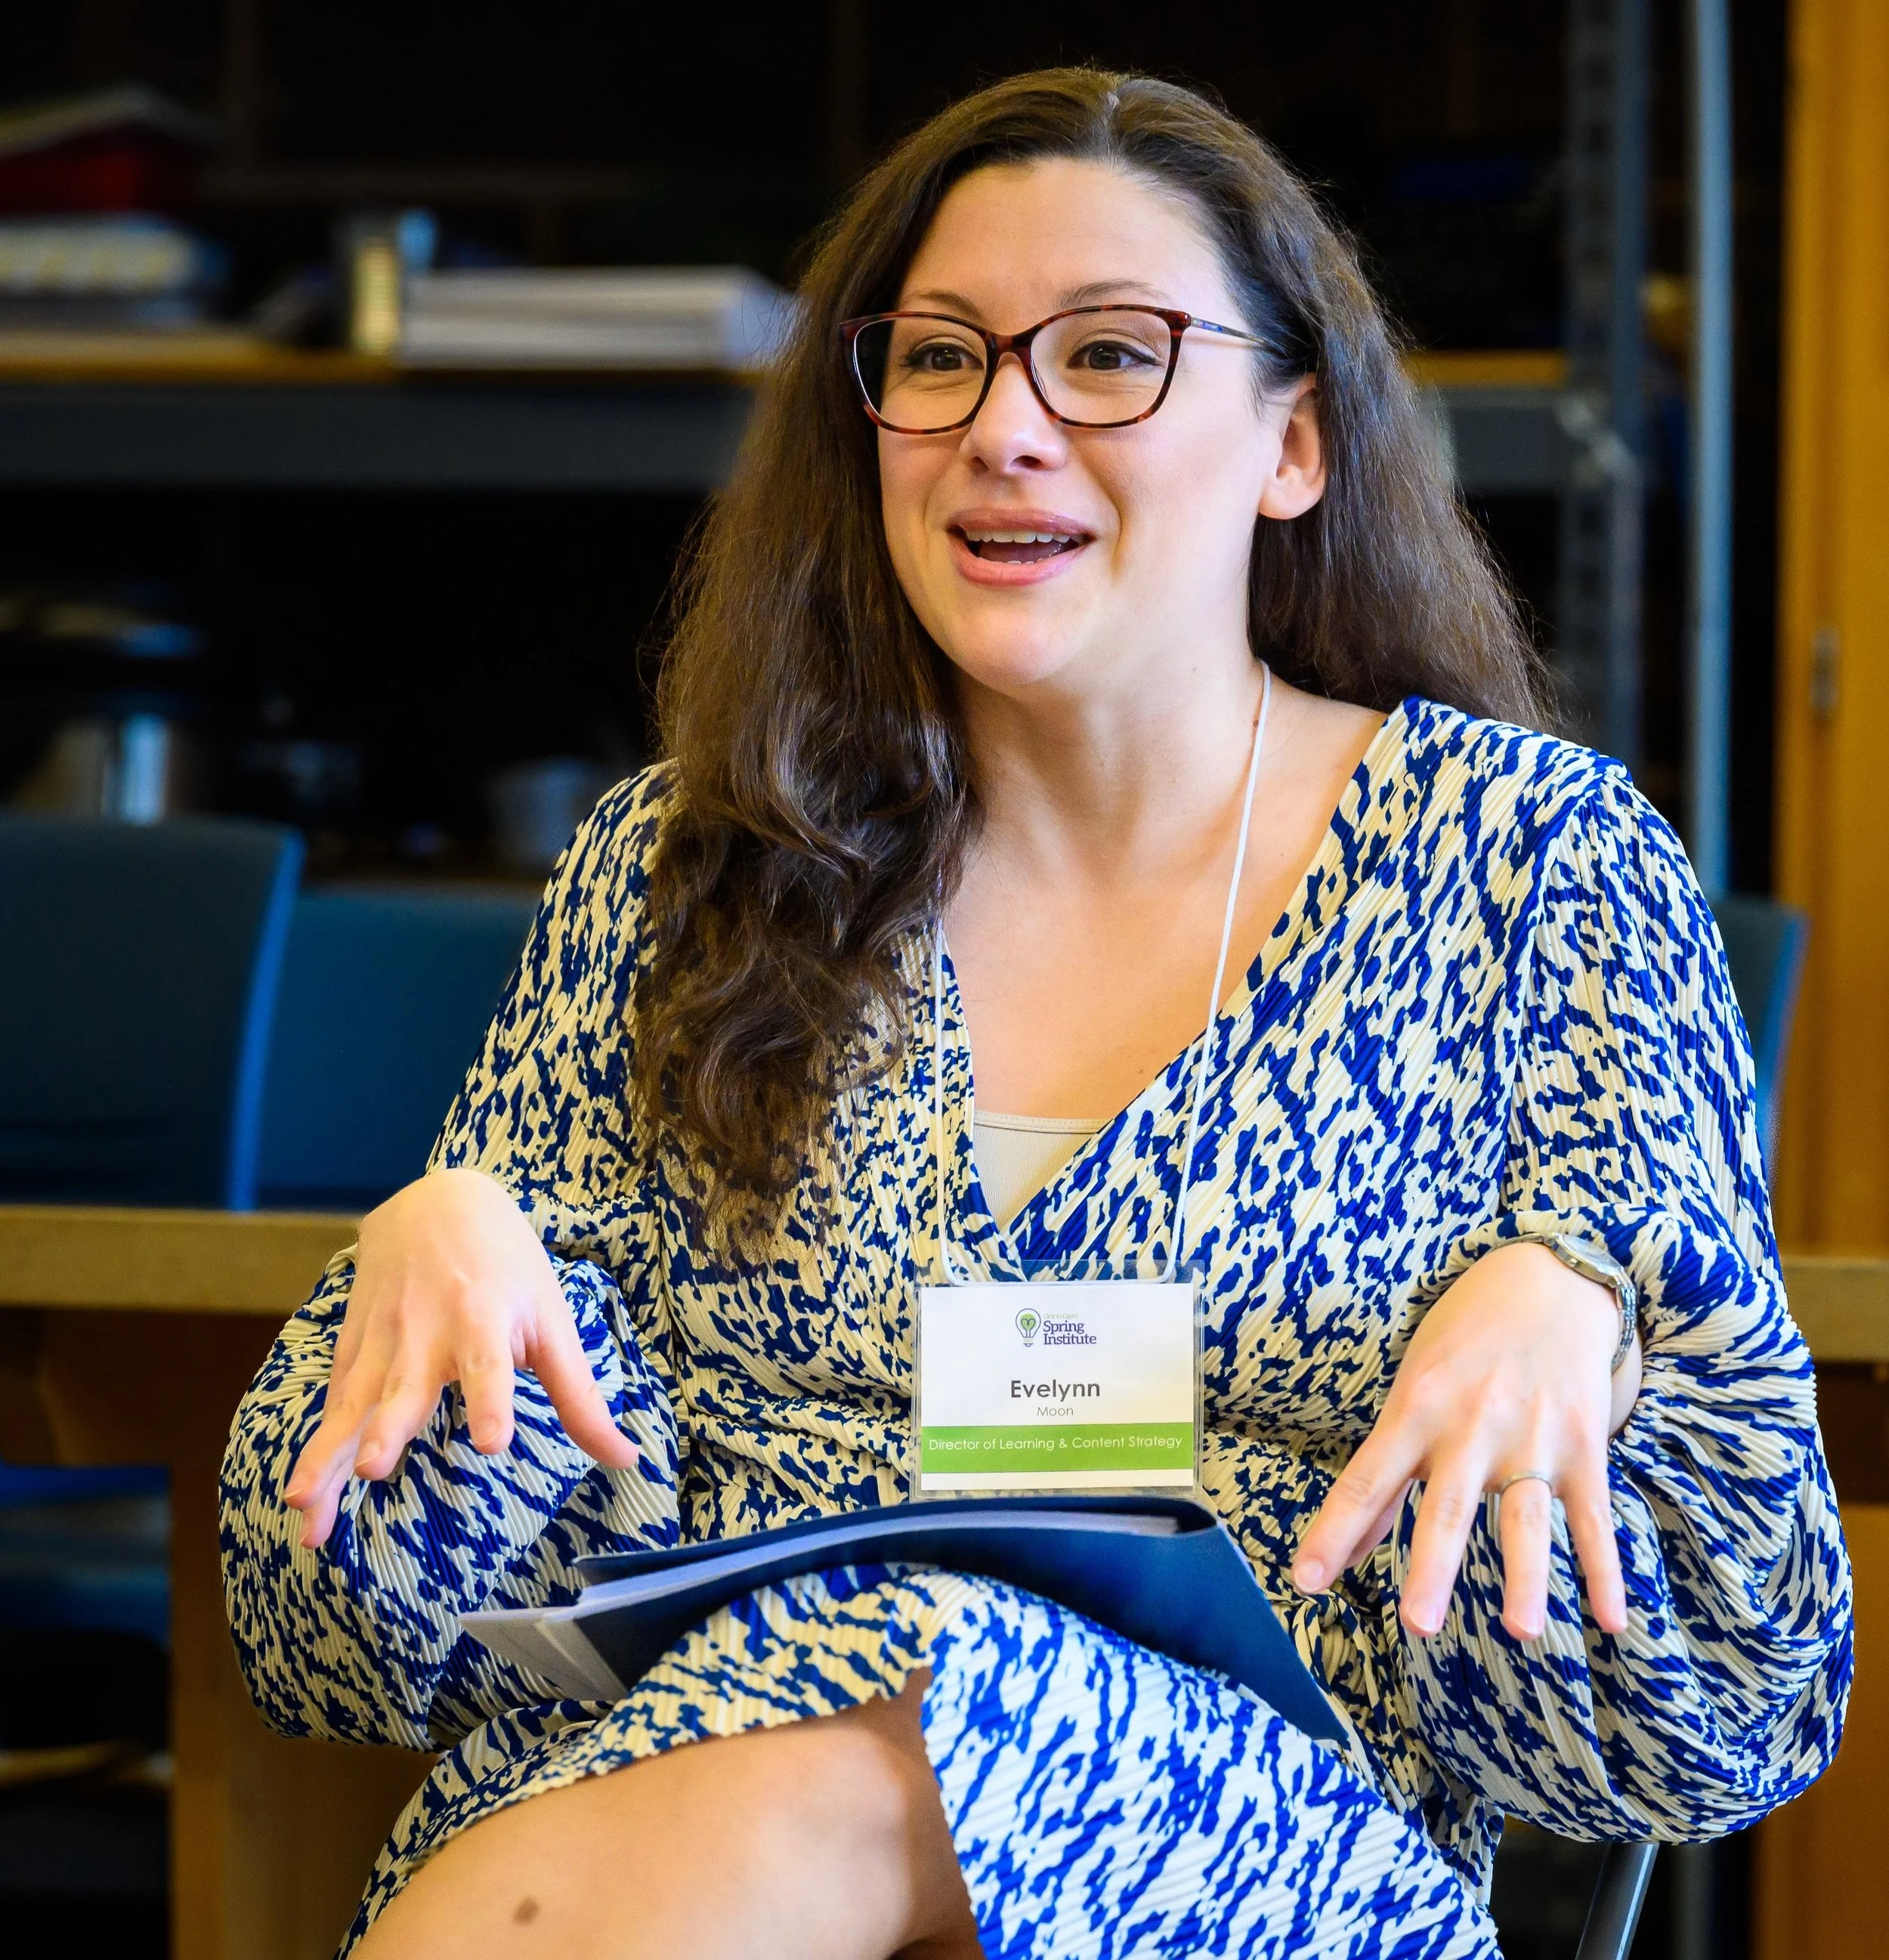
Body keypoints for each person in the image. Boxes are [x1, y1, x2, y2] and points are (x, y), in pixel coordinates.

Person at [221, 69, 1852, 1960]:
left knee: (915, 1700)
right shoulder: (688, 869)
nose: (1003, 426)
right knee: (831, 1716)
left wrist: (1597, 1313)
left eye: (1108, 356)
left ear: (1292, 442)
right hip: (659, 1807)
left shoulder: (1531, 868)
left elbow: (1724, 1708)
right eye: (938, 358)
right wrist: (428, 1272)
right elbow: (329, 1637)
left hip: (1259, 1857)